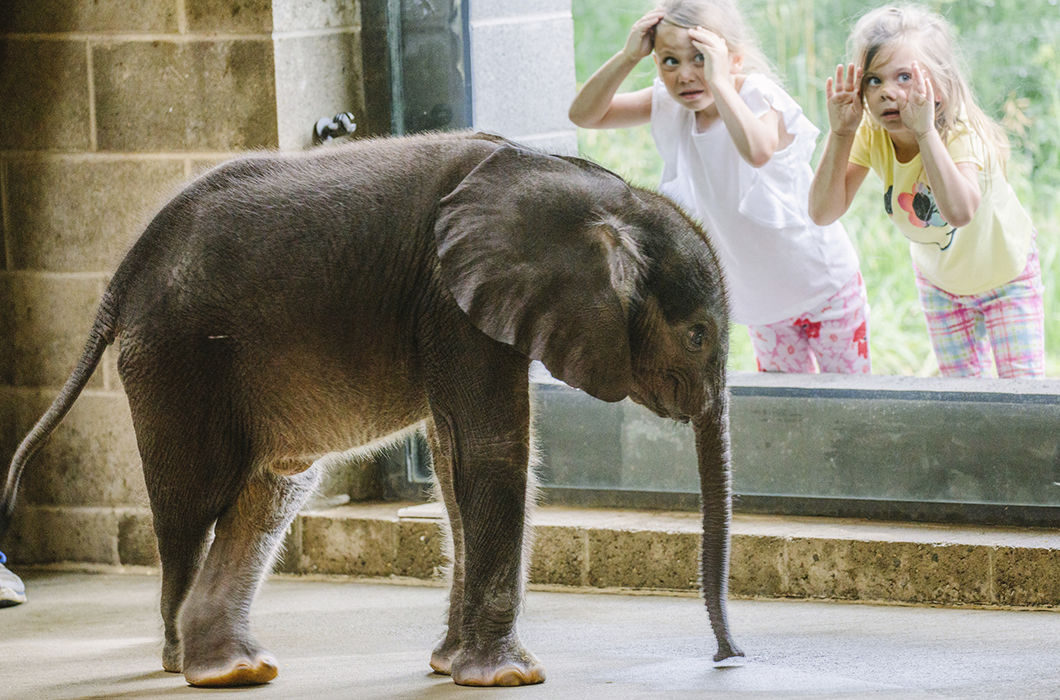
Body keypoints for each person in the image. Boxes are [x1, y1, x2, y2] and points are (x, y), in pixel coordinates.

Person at [569, 0, 871, 374]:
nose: (685, 75)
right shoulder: (670, 105)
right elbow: (584, 114)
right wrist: (628, 56)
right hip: (763, 305)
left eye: (701, 59)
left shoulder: (757, 96)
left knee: (852, 405)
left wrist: (720, 81)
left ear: (735, 61)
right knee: (787, 414)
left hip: (825, 289)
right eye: (670, 61)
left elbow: (758, 150)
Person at [809, 4, 1044, 378]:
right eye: (874, 80)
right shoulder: (871, 135)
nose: (888, 92)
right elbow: (823, 212)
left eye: (904, 77)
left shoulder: (957, 131)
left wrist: (924, 133)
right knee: (962, 401)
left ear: (939, 85)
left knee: (1022, 397)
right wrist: (840, 133)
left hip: (1006, 278)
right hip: (941, 286)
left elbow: (960, 212)